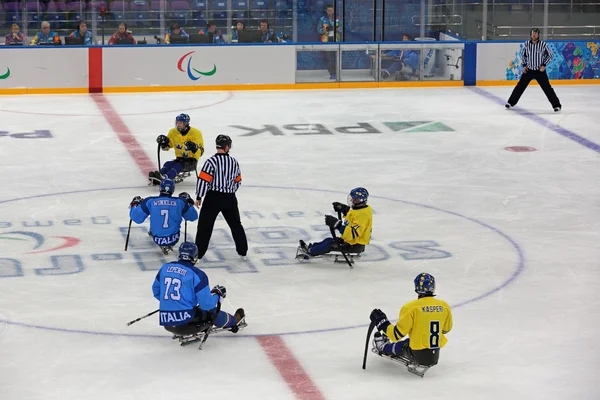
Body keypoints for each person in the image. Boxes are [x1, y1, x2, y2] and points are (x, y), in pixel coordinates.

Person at [152, 242, 245, 337]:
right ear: (195, 256)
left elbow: (156, 291)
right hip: (186, 325)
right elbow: (206, 304)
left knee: (197, 308)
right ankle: (234, 321)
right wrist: (218, 295)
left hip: (167, 323)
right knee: (210, 311)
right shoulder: (198, 275)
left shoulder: (164, 268)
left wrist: (175, 302)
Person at [369, 273, 453, 367]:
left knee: (404, 345)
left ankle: (383, 347)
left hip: (417, 354)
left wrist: (383, 323)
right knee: (416, 339)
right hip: (435, 353)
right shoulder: (444, 306)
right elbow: (446, 329)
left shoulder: (411, 308)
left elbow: (396, 335)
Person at [194, 135, 248, 260]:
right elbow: (238, 180)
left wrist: (199, 196)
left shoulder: (211, 162)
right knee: (236, 225)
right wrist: (230, 191)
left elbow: (203, 180)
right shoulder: (234, 162)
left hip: (213, 198)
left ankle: (198, 254)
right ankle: (243, 251)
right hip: (230, 198)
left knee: (204, 226)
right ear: (227, 147)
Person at [129, 179, 198, 255]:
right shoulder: (180, 202)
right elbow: (193, 216)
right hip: (174, 238)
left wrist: (134, 204)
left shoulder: (150, 201)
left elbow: (136, 218)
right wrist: (188, 202)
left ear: (160, 188)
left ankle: (154, 231)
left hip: (157, 238)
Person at [298, 187, 371, 257]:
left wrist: (337, 225)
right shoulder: (361, 209)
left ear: (359, 200)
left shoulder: (362, 215)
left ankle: (310, 252)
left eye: (353, 199)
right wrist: (344, 209)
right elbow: (353, 216)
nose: (351, 200)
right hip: (350, 242)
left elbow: (352, 234)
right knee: (328, 240)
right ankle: (311, 248)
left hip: (354, 245)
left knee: (328, 245)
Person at [506, 28, 562, 112]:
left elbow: (550, 55)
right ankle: (510, 102)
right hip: (529, 70)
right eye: (533, 33)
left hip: (539, 71)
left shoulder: (543, 44)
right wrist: (524, 65)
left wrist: (544, 65)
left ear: (538, 35)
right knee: (520, 86)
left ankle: (556, 105)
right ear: (531, 35)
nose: (534, 35)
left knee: (547, 88)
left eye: (536, 33)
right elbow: (523, 55)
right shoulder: (527, 44)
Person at [149, 113, 205, 185]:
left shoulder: (196, 133)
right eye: (177, 122)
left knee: (177, 166)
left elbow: (201, 152)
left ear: (186, 123)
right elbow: (167, 147)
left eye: (180, 123)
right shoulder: (173, 132)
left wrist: (195, 148)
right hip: (179, 159)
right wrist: (163, 143)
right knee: (168, 164)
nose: (178, 125)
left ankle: (166, 177)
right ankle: (159, 175)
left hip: (191, 161)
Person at [317, 3, 342, 79]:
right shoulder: (322, 19)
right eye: (328, 10)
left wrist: (339, 29)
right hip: (326, 41)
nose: (330, 12)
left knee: (337, 57)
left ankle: (338, 73)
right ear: (326, 11)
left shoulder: (337, 19)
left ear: (333, 10)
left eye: (331, 10)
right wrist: (323, 30)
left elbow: (342, 29)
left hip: (336, 41)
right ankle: (332, 73)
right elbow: (318, 30)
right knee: (329, 58)